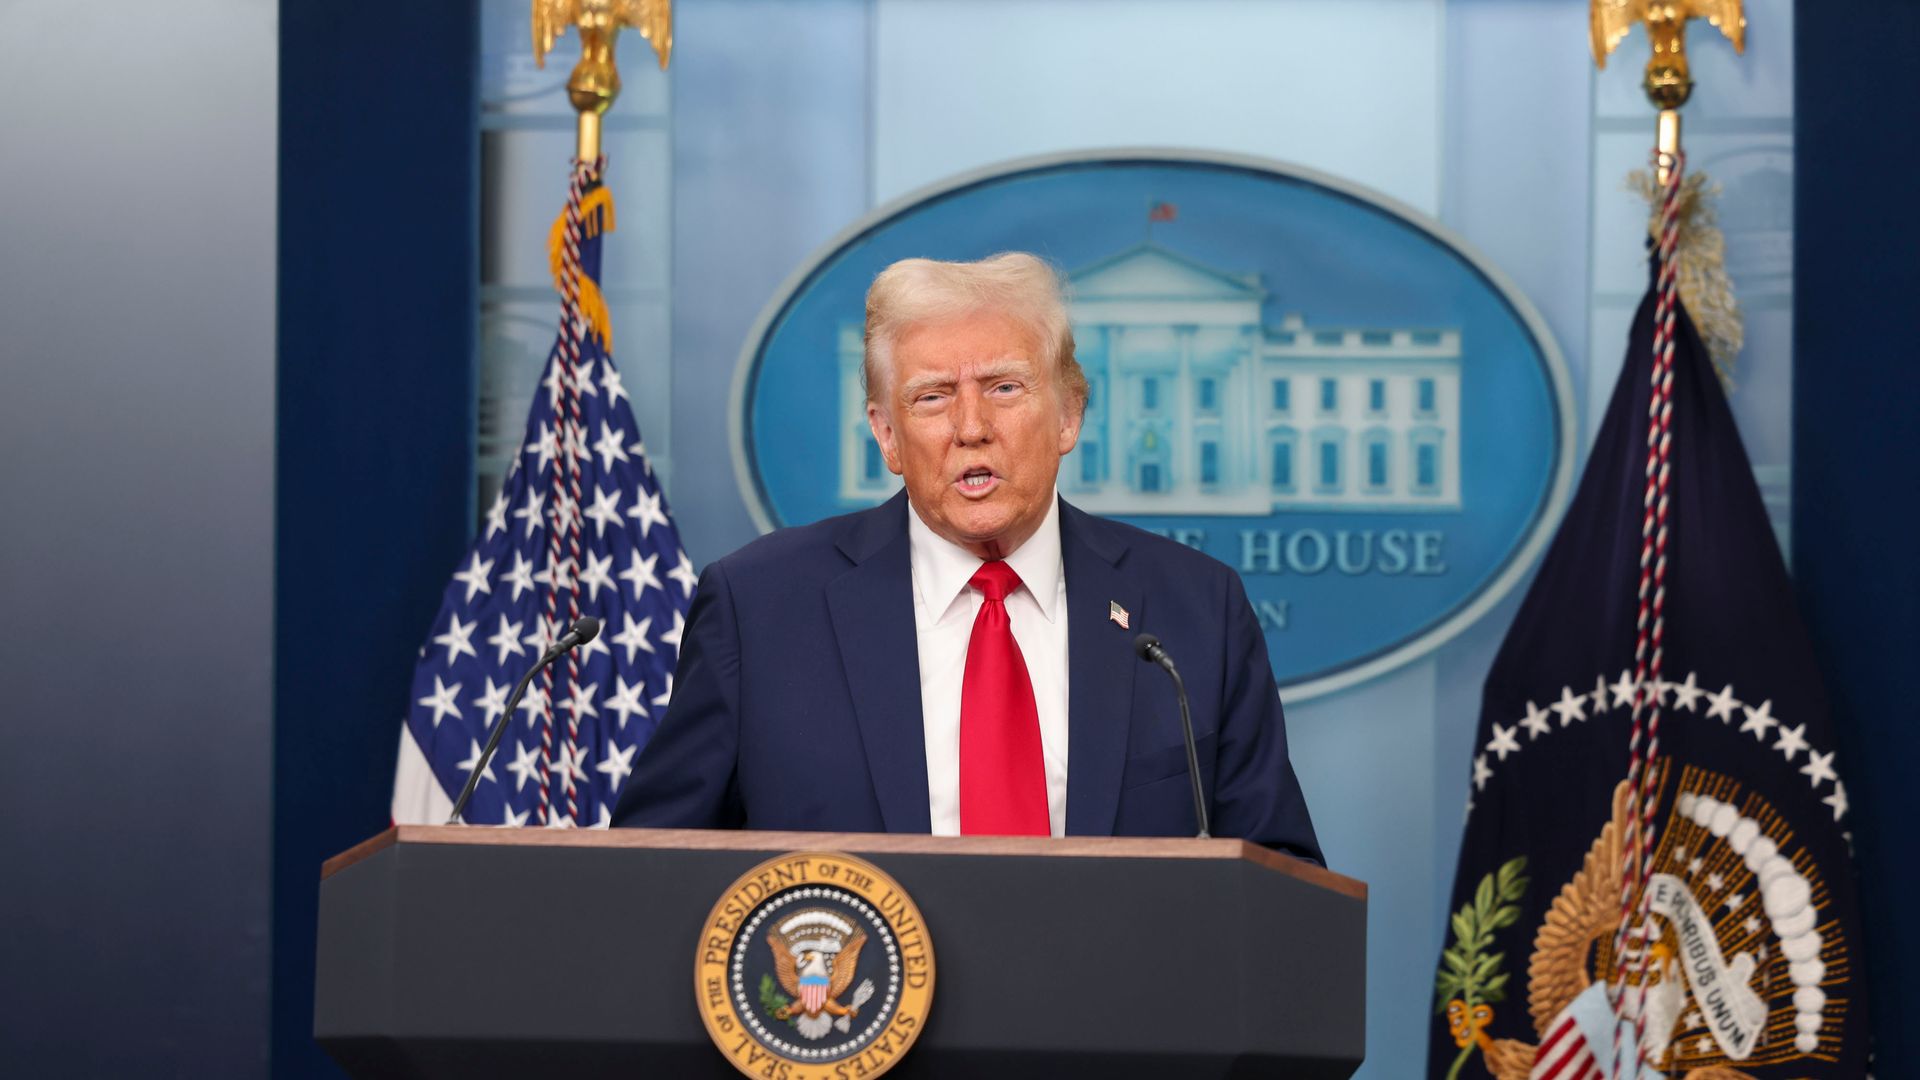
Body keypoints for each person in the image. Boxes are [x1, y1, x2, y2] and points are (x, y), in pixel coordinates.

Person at [612, 253, 1320, 860]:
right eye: (932, 397)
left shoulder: (1196, 608)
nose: (971, 428)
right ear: (887, 436)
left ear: (1069, 413)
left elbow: (1277, 878)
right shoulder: (759, 609)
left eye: (1005, 388)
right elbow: (654, 871)